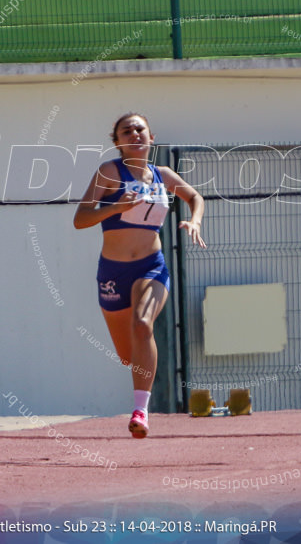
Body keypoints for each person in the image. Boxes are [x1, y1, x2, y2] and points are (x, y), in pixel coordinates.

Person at [74, 113, 206, 438]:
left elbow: (196, 197)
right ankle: (140, 390)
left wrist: (195, 220)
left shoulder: (163, 175)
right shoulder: (109, 172)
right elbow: (81, 219)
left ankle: (140, 411)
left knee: (143, 324)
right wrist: (115, 207)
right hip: (113, 271)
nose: (134, 134)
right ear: (117, 141)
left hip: (151, 266)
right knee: (128, 357)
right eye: (126, 131)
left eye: (139, 129)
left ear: (150, 136)